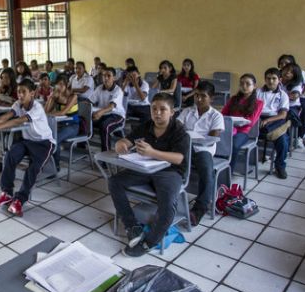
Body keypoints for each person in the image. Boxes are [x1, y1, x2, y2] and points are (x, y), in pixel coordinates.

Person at [109, 93, 190, 257]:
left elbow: (179, 158)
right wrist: (121, 144)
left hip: (170, 172)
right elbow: (128, 140)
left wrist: (153, 152)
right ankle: (132, 226)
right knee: (114, 181)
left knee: (167, 203)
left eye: (162, 109)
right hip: (146, 169)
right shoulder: (147, 125)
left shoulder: (179, 130)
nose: (157, 113)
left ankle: (149, 242)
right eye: (154, 109)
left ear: (172, 111)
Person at [0, 79, 56, 217]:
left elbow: (17, 121)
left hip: (44, 143)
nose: (20, 95)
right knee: (10, 156)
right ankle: (7, 193)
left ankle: (19, 200)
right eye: (18, 92)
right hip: (27, 141)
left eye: (23, 92)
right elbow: (7, 116)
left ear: (32, 93)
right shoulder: (18, 104)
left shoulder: (37, 108)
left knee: (33, 169)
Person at [177, 81, 224, 225]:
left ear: (212, 98)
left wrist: (188, 134)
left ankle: (199, 209)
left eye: (203, 96)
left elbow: (213, 137)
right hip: (186, 147)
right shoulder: (187, 111)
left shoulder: (216, 116)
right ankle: (168, 196)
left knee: (206, 171)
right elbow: (177, 127)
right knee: (170, 163)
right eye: (197, 95)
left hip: (204, 150)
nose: (198, 99)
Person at [221, 74, 264, 175]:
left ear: (254, 86)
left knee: (234, 145)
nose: (244, 86)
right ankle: (219, 168)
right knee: (218, 141)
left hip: (243, 132)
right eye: (241, 84)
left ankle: (228, 173)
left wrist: (234, 121)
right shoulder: (233, 99)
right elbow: (223, 114)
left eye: (248, 84)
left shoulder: (258, 103)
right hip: (229, 129)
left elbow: (251, 121)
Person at [257, 68, 291, 179]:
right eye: (268, 78)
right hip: (259, 118)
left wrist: (267, 120)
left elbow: (283, 115)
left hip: (275, 120)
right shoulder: (258, 92)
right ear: (265, 79)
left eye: (274, 78)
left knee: (283, 141)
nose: (271, 81)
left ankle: (280, 166)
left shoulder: (283, 95)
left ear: (279, 80)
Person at [44, 74, 79, 172]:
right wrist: (51, 98)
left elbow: (63, 112)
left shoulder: (73, 96)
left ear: (67, 84)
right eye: (57, 85)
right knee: (48, 136)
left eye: (61, 84)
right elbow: (45, 111)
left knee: (55, 138)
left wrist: (50, 113)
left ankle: (55, 166)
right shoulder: (57, 96)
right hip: (60, 125)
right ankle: (48, 162)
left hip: (73, 126)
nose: (59, 87)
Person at [278, 54, 305, 147]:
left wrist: (301, 95)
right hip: (285, 98)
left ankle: (299, 136)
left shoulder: (300, 72)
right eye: (281, 63)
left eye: (286, 62)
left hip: (302, 96)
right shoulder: (278, 74)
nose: (283, 64)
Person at [90, 67, 126, 151]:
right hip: (103, 115)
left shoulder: (118, 90)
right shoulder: (99, 88)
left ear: (114, 78)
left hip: (117, 116)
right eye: (103, 76)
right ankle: (82, 148)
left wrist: (99, 113)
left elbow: (111, 106)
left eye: (108, 76)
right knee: (85, 120)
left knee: (104, 126)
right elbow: (90, 100)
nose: (105, 78)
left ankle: (105, 155)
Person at [281, 62, 304, 146]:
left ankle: (285, 143)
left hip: (291, 108)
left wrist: (280, 95)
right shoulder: (278, 81)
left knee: (282, 120)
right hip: (279, 107)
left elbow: (294, 96)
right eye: (286, 70)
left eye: (291, 72)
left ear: (295, 75)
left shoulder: (296, 85)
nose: (287, 72)